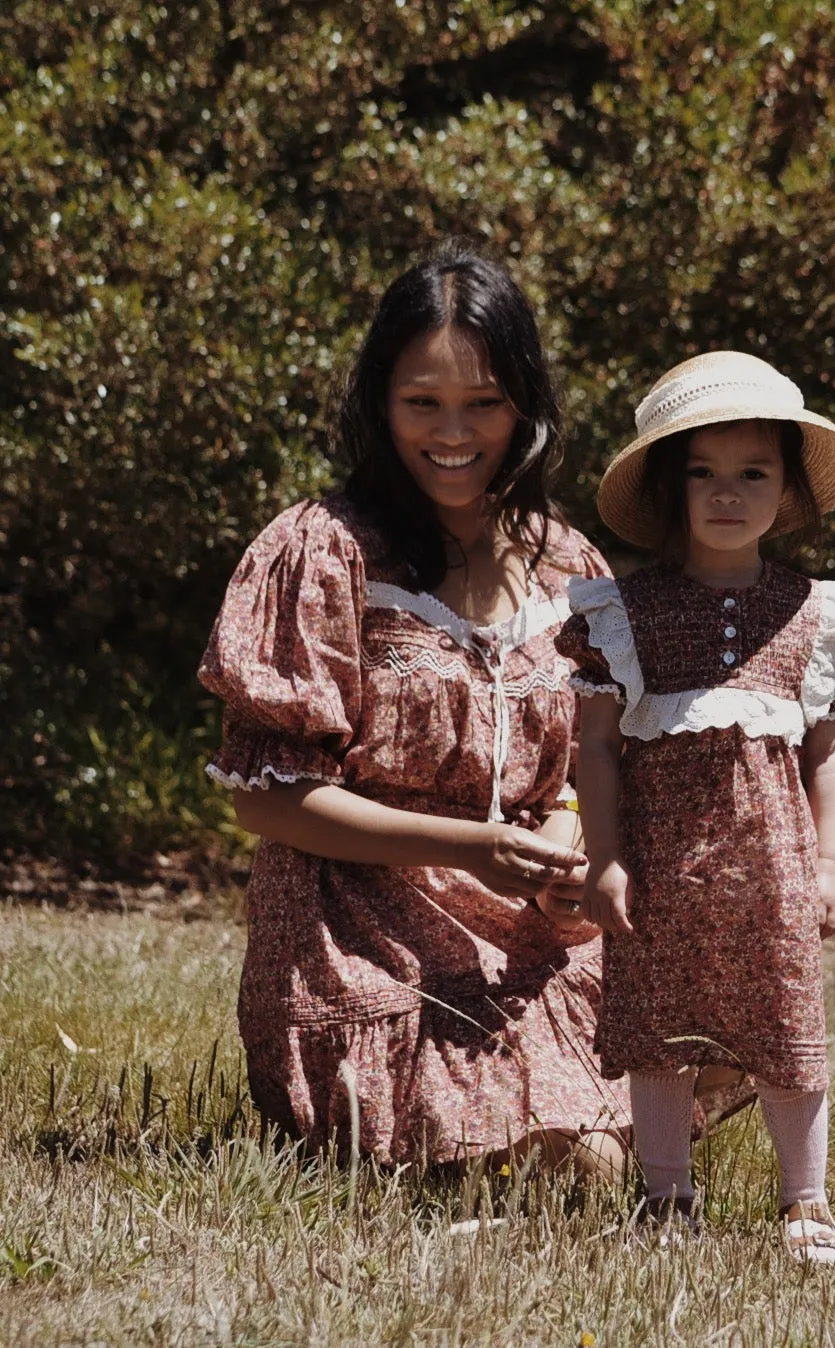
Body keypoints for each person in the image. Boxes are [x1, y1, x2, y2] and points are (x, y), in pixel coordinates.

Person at [198, 241, 631, 1175]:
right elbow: (263, 798)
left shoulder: (571, 566)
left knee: (722, 1032)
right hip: (363, 930)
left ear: (525, 403)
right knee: (580, 1172)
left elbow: (597, 762)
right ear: (378, 402)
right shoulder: (321, 551)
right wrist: (469, 847)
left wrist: (570, 844)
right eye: (421, 402)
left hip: (539, 928)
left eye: (483, 402)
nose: (454, 432)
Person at [555, 351, 835, 1260]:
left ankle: (804, 1201)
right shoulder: (627, 612)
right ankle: (665, 1199)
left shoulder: (814, 614)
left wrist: (826, 864)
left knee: (786, 1029)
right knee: (658, 1030)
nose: (726, 493)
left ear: (788, 491)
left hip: (771, 878)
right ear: (670, 485)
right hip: (660, 872)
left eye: (752, 473)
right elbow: (599, 751)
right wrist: (604, 856)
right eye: (702, 472)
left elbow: (829, 751)